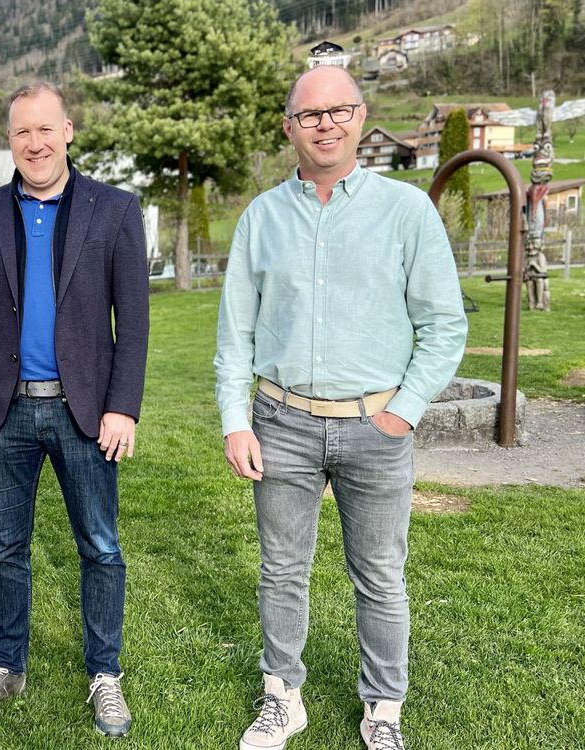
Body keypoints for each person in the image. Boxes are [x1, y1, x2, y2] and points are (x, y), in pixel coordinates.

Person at [215, 66, 467, 750]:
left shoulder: (406, 211)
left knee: (380, 576)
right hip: (281, 424)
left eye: (338, 111)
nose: (324, 124)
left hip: (376, 426)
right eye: (309, 114)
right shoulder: (261, 218)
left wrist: (403, 411)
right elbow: (235, 334)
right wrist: (235, 420)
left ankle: (383, 710)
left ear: (359, 117)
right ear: (289, 127)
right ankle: (282, 698)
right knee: (281, 571)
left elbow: (444, 325)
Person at [0, 82, 149, 737]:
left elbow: (133, 322)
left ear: (67, 131)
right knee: (5, 546)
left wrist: (123, 408)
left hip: (84, 411)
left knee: (101, 547)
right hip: (5, 412)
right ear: (10, 140)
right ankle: (6, 663)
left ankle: (105, 673)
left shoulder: (114, 209)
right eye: (21, 132)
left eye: (44, 129)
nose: (34, 143)